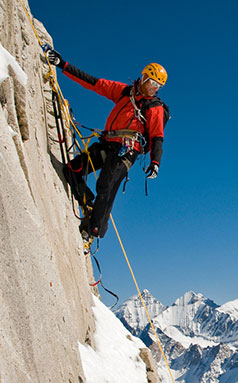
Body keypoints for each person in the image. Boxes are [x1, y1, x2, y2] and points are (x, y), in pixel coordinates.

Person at [44, 46, 169, 240]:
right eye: (153, 82)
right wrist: (63, 65)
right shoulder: (124, 92)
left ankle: (94, 230)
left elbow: (157, 136)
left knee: (106, 185)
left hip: (127, 150)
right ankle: (89, 204)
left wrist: (155, 162)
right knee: (73, 169)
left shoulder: (154, 107)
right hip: (108, 143)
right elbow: (94, 83)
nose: (154, 88)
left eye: (158, 86)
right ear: (144, 77)